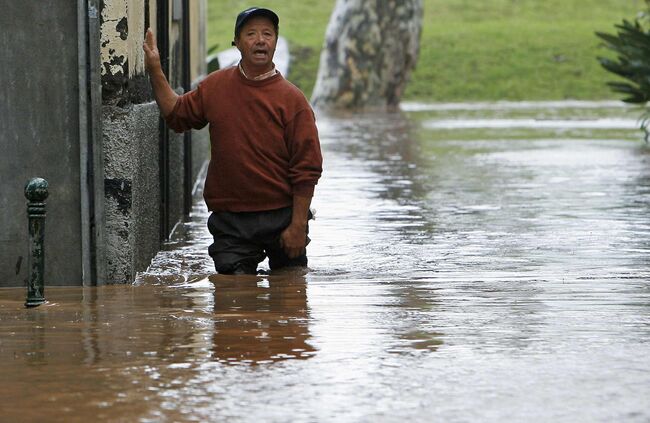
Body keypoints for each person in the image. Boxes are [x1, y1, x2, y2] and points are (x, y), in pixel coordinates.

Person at [142, 7, 323, 275]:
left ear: (274, 42)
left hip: (282, 217)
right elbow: (177, 115)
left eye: (267, 34)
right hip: (231, 220)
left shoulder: (293, 100)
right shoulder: (215, 87)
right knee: (234, 303)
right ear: (236, 43)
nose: (260, 40)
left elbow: (307, 169)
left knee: (291, 298)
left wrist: (298, 226)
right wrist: (155, 69)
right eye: (251, 34)